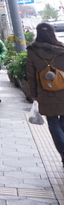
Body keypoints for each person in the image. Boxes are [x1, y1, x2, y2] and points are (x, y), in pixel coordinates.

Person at [26, 22, 64, 165]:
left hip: (44, 91)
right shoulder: (61, 48)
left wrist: (34, 94)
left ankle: (63, 151)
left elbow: (30, 75)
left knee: (53, 122)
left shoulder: (32, 51)